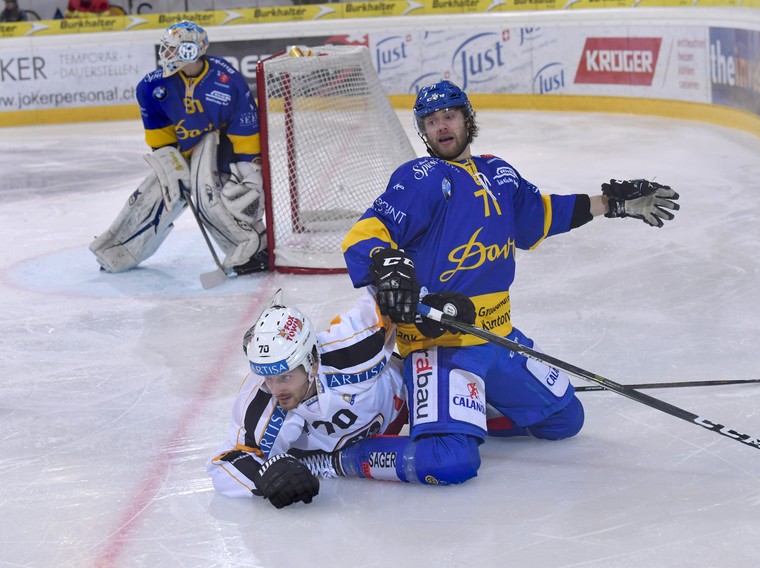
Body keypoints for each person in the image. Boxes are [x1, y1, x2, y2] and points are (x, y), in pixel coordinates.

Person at [312, 80, 681, 486]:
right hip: (441, 346)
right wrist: (387, 261)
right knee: (449, 462)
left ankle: (466, 413)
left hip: (498, 337)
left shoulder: (498, 172)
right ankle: (343, 458)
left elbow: (543, 214)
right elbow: (365, 233)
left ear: (468, 119)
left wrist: (613, 205)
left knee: (564, 419)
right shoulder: (422, 178)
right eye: (431, 121)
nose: (441, 127)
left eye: (449, 116)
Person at [90, 20, 268, 275]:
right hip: (182, 151)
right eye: (166, 48)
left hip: (220, 146)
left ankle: (252, 252)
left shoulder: (228, 81)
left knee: (224, 199)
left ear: (191, 51)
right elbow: (160, 136)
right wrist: (169, 164)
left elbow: (245, 131)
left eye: (174, 49)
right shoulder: (152, 86)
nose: (167, 55)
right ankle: (118, 252)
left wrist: (250, 174)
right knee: (155, 197)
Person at [207, 288, 410, 508]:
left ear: (312, 363)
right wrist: (264, 476)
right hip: (350, 461)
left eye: (285, 376)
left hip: (406, 400)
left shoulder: (352, 347)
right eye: (268, 377)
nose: (276, 390)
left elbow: (387, 294)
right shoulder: (262, 402)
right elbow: (225, 464)